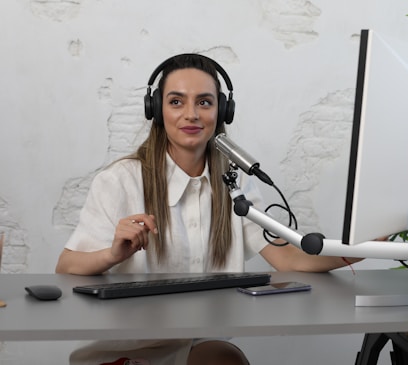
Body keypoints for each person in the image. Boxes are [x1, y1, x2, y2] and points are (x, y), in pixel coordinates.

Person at [56, 53, 360, 365]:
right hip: (127, 353)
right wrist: (113, 255)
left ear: (222, 110)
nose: (192, 114)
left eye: (204, 102)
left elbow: (287, 257)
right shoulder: (119, 181)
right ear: (156, 109)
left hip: (197, 347)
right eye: (176, 102)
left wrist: (367, 246)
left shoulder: (235, 180)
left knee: (223, 358)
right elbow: (65, 268)